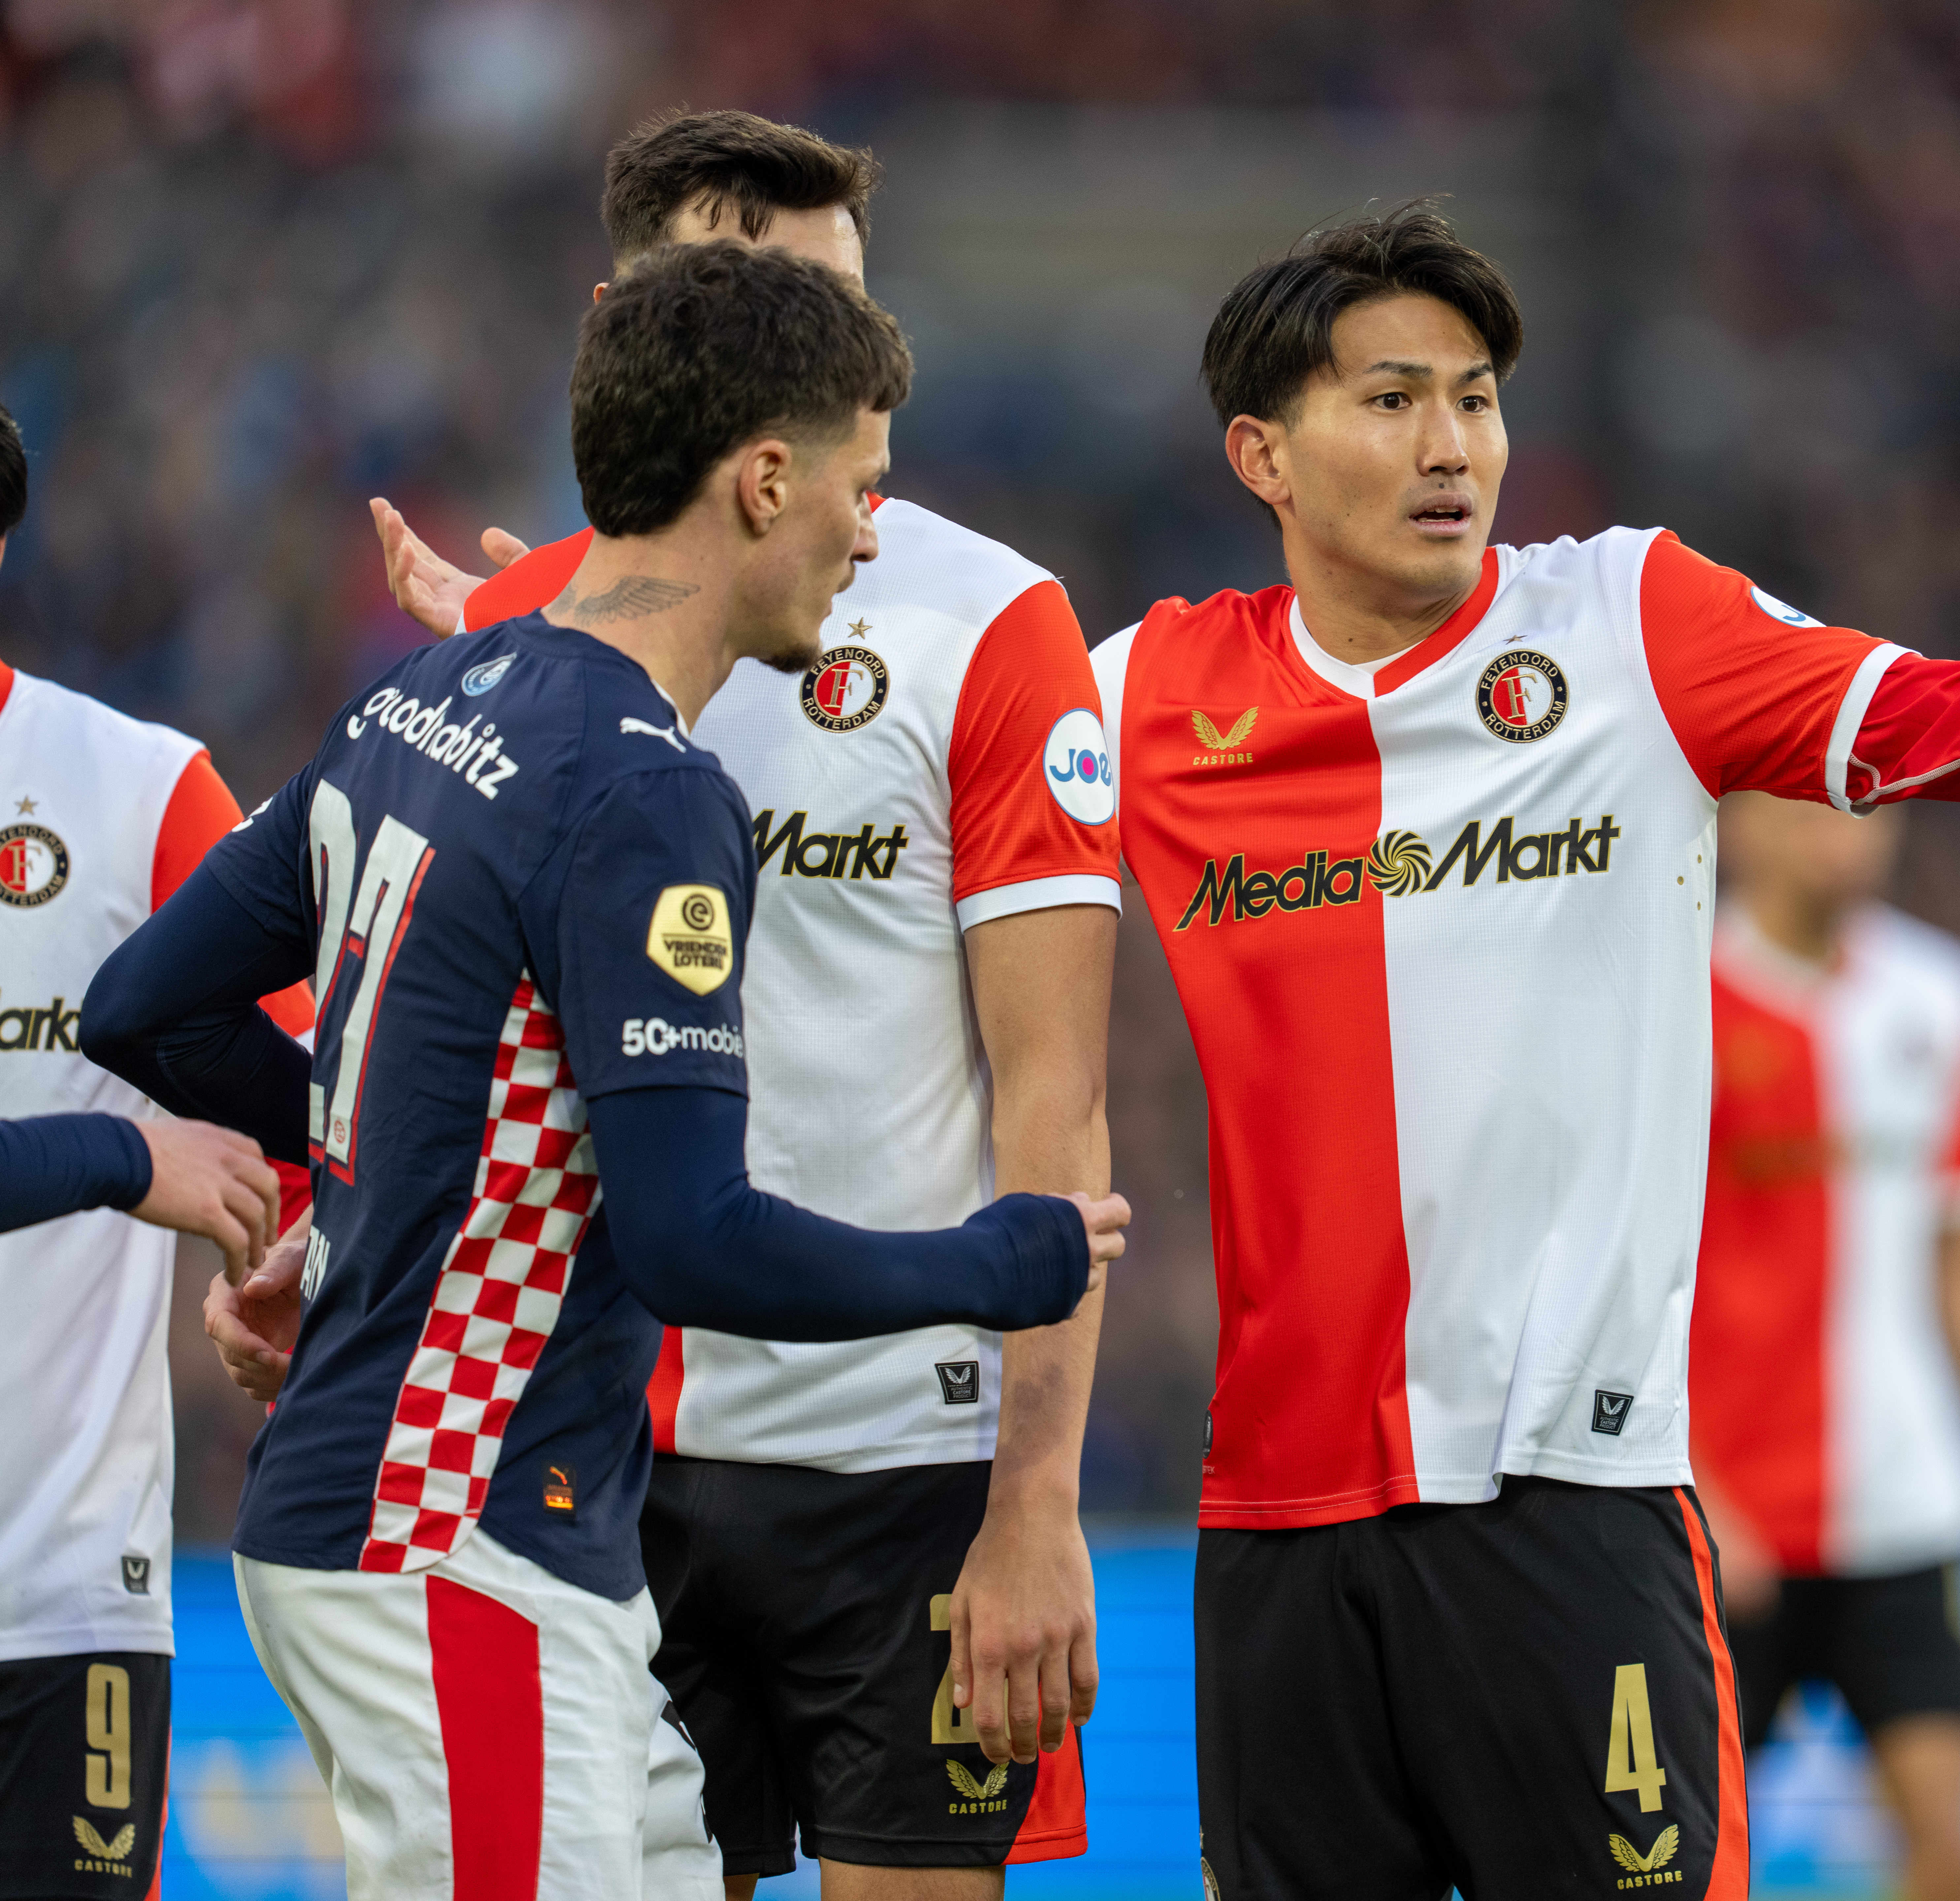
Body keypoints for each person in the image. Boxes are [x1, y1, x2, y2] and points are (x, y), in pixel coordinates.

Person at [1090, 201, 1960, 1899]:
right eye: (1394, 400)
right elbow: (910, 842)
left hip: (1570, 1500)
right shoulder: (1143, 693)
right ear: (1261, 454)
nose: (1454, 447)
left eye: (1480, 398)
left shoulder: (1631, 620)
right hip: (1278, 1529)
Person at [80, 242, 1128, 1901]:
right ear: (764, 479)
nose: (872, 539)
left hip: (423, 1536)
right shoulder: (650, 789)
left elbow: (142, 1003)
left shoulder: (421, 695)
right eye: (860, 492)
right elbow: (689, 1239)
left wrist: (395, 1164)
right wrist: (1001, 1262)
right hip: (458, 1546)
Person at [343, 108, 1122, 1897]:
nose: (800, 359)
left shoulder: (991, 624)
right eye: (742, 297)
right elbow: (444, 1040)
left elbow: (1055, 1103)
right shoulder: (538, 631)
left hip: (905, 1468)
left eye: (834, 309)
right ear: (634, 317)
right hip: (597, 1458)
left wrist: (1036, 1497)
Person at [0, 395, 315, 1901]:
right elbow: (147, 1159)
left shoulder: (139, 792)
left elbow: (332, 1086)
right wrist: (129, 1162)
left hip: (70, 1601)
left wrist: (292, 1252)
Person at [1693, 793, 1960, 1901]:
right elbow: (1613, 1276)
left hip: (1907, 1505)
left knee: (1951, 1859)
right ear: (1743, 826)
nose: (1852, 837)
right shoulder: (1676, 999)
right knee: (1673, 1866)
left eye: (1873, 809)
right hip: (1724, 1522)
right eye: (1816, 813)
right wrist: (1690, 1484)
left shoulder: (1940, 996)